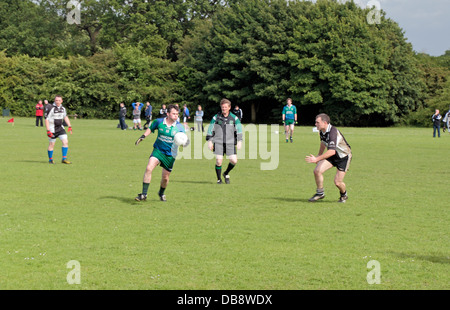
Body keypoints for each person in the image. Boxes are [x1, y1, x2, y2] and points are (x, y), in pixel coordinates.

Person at [134, 104, 187, 202]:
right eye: (174, 114)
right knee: (149, 168)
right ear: (168, 114)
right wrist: (143, 136)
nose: (176, 116)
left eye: (177, 114)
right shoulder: (159, 122)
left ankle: (161, 193)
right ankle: (144, 194)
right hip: (158, 150)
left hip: (170, 155)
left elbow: (184, 140)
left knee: (165, 178)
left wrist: (184, 144)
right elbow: (151, 128)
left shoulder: (179, 127)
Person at [305, 113, 352, 203]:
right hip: (333, 155)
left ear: (325, 122)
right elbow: (323, 143)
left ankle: (343, 194)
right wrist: (319, 155)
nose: (315, 124)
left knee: (337, 182)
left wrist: (316, 159)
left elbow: (331, 151)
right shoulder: (322, 131)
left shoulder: (332, 132)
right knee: (317, 171)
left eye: (317, 122)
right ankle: (320, 193)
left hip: (343, 157)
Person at [206, 98, 243, 184]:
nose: (224, 109)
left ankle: (226, 173)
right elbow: (210, 128)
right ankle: (219, 179)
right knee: (219, 161)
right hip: (218, 142)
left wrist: (239, 141)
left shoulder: (234, 118)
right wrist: (209, 141)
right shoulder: (216, 117)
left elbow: (239, 129)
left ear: (229, 107)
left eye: (225, 107)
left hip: (230, 142)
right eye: (222, 107)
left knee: (234, 161)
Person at [45, 95, 73, 164]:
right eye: (56, 100)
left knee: (65, 142)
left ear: (62, 101)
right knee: (52, 144)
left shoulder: (63, 108)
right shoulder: (50, 108)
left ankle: (64, 159)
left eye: (59, 100)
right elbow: (46, 119)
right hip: (52, 129)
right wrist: (48, 130)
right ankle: (50, 159)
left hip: (60, 128)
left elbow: (65, 117)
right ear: (54, 100)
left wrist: (69, 126)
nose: (57, 102)